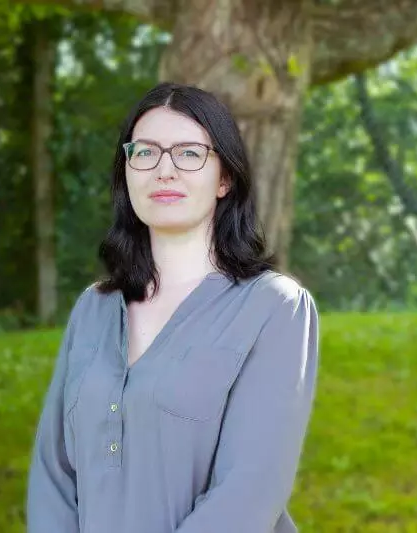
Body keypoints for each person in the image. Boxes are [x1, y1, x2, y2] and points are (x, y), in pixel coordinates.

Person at [26, 82, 320, 533]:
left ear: (224, 178)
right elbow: (53, 478)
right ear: (127, 172)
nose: (164, 170)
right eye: (145, 153)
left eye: (188, 153)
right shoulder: (94, 309)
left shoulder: (274, 307)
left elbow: (250, 491)